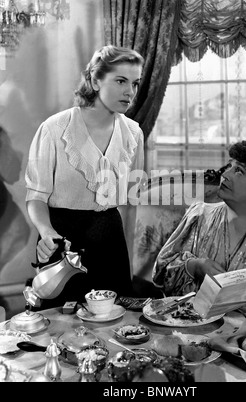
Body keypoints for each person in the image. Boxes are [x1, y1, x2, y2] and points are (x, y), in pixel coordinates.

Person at [25, 45, 145, 308]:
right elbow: (36, 196)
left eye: (135, 83)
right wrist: (46, 232)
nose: (130, 92)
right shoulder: (54, 129)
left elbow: (131, 204)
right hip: (61, 239)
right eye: (121, 81)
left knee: (115, 330)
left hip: (111, 240)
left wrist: (130, 264)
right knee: (58, 330)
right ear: (94, 80)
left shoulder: (134, 134)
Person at [153, 138, 246, 325]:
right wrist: (195, 266)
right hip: (189, 326)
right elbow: (161, 272)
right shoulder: (199, 216)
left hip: (241, 336)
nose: (226, 174)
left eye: (239, 171)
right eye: (229, 166)